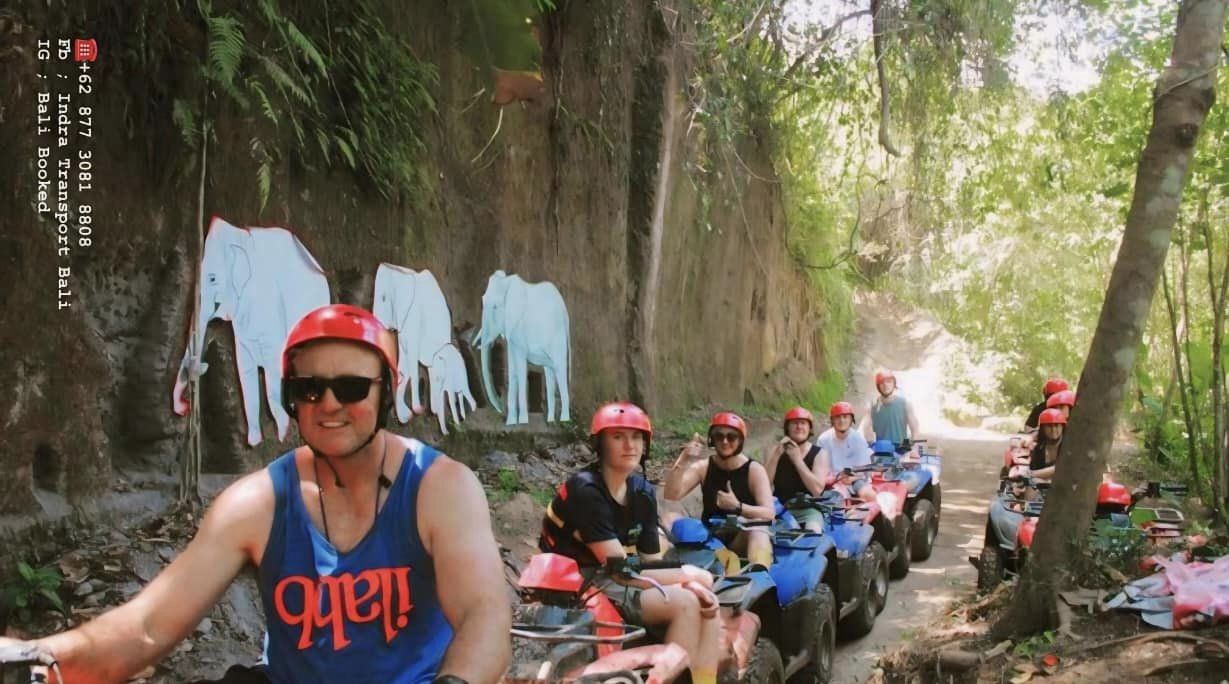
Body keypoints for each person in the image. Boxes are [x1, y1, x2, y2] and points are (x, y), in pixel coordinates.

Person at [0, 304, 512, 684]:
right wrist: (34, 657)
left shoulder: (440, 487)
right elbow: (148, 628)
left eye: (352, 388)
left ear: (385, 392)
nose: (329, 404)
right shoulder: (257, 503)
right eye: (309, 389)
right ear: (290, 399)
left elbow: (484, 615)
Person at [539, 402, 723, 684]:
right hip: (578, 581)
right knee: (686, 602)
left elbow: (649, 561)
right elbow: (621, 571)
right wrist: (688, 576)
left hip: (611, 574)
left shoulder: (642, 492)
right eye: (618, 437)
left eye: (636, 437)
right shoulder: (586, 490)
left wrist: (687, 579)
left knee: (700, 592)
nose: (630, 445)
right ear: (600, 444)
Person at [664, 412, 775, 567]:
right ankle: (662, 563)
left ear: (740, 440)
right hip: (709, 536)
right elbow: (671, 494)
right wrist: (684, 459)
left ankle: (759, 572)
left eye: (731, 437)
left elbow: (769, 513)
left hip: (740, 537)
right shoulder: (703, 467)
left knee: (758, 528)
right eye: (719, 436)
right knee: (669, 517)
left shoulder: (754, 470)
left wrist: (738, 507)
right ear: (712, 439)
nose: (724, 441)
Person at [764, 407, 827, 531]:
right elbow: (763, 486)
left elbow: (817, 490)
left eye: (803, 423)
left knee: (813, 530)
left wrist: (797, 460)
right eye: (794, 423)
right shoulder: (773, 450)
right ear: (787, 428)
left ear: (809, 428)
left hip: (808, 509)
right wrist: (777, 455)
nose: (799, 427)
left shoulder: (820, 454)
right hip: (778, 507)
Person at [817, 402, 877, 503]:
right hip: (833, 481)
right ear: (832, 420)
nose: (842, 420)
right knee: (836, 499)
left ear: (851, 419)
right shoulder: (823, 440)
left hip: (856, 479)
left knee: (869, 495)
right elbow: (820, 470)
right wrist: (837, 478)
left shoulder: (858, 439)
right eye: (837, 417)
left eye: (845, 417)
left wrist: (851, 478)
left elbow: (862, 470)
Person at [859, 369, 920, 447]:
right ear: (878, 386)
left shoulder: (905, 404)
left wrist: (914, 448)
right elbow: (864, 427)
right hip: (881, 450)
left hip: (900, 449)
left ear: (894, 384)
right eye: (882, 382)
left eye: (889, 381)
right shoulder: (872, 407)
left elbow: (915, 430)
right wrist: (866, 444)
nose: (885, 385)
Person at [1029, 408, 1066, 480]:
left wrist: (1032, 474)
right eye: (1049, 426)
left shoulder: (1069, 447)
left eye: (1056, 425)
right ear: (1043, 428)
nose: (1053, 430)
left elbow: (1064, 467)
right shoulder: (1038, 449)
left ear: (1062, 427)